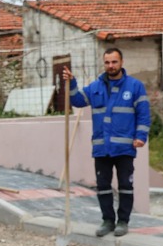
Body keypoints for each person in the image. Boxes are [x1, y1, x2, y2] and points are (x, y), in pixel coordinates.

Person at [61, 47, 151, 236]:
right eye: (107, 62)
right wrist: (72, 83)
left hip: (125, 147)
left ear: (121, 62)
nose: (110, 66)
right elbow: (77, 100)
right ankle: (107, 221)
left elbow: (143, 114)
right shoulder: (96, 87)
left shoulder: (135, 87)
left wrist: (141, 136)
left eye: (114, 62)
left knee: (126, 186)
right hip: (102, 147)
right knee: (103, 186)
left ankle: (123, 222)